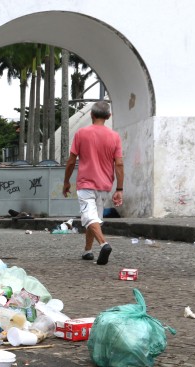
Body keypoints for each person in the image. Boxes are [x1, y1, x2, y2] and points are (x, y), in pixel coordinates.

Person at [62, 100, 124, 265]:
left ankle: (104, 244)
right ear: (108, 116)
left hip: (86, 183)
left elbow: (71, 161)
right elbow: (119, 163)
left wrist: (66, 181)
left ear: (91, 114)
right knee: (93, 217)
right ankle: (88, 251)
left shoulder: (81, 134)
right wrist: (119, 188)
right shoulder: (115, 137)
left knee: (90, 217)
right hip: (105, 185)